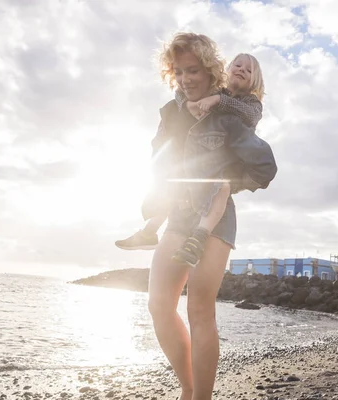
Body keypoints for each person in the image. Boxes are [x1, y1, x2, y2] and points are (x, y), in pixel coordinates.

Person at [147, 32, 277, 400]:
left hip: (216, 218)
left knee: (199, 309)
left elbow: (265, 167)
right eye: (179, 72)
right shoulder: (170, 112)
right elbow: (159, 161)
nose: (186, 79)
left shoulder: (227, 117)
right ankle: (188, 388)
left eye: (193, 70)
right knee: (159, 306)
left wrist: (226, 185)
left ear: (209, 71)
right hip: (177, 213)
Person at [115, 53, 265, 264]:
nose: (242, 70)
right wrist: (192, 104)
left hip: (227, 161)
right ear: (227, 68)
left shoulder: (251, 102)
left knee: (222, 186)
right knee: (176, 182)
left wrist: (218, 101)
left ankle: (200, 236)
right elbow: (181, 95)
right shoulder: (213, 90)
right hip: (201, 156)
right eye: (238, 65)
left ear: (254, 81)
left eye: (249, 70)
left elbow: (250, 115)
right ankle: (149, 231)